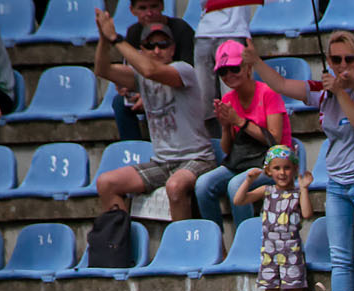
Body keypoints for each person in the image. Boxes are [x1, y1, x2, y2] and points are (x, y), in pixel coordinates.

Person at [244, 36, 354, 291]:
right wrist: (256, 62)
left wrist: (342, 92)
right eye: (335, 60)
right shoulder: (321, 91)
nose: (342, 65)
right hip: (338, 182)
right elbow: (281, 85)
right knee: (341, 258)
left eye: (349, 59)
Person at [92, 10, 215, 222]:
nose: (157, 50)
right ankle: (120, 247)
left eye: (163, 45)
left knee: (175, 186)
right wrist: (104, 40)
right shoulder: (139, 75)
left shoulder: (183, 70)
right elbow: (102, 70)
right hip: (162, 162)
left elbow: (150, 71)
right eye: (150, 46)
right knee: (106, 183)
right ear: (142, 49)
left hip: (196, 158)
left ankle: (181, 250)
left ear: (173, 49)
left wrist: (116, 39)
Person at [196, 39, 293, 229]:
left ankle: (245, 243)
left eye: (234, 68)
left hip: (273, 161)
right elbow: (228, 149)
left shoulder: (268, 94)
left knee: (235, 186)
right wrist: (225, 126)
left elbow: (274, 140)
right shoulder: (228, 98)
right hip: (242, 160)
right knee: (203, 185)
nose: (229, 75)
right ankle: (216, 246)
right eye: (223, 72)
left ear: (247, 67)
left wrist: (240, 121)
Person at [237, 143, 311, 291]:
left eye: (287, 168)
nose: (282, 172)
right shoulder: (266, 191)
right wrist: (248, 180)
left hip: (291, 252)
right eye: (276, 168)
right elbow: (239, 200)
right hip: (269, 252)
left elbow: (307, 214)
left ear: (294, 169)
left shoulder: (296, 194)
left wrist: (304, 189)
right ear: (268, 171)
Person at [112, 0, 193, 143]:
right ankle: (133, 149)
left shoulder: (181, 29)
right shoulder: (133, 32)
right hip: (147, 88)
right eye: (142, 8)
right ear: (132, 10)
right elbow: (128, 69)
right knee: (120, 102)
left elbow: (187, 75)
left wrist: (150, 94)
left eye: (154, 6)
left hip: (179, 91)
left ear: (162, 5)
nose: (149, 13)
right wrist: (124, 86)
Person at [191, 0, 259, 121]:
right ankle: (216, 136)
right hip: (210, 32)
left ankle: (234, 133)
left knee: (231, 93)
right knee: (204, 99)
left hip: (228, 31)